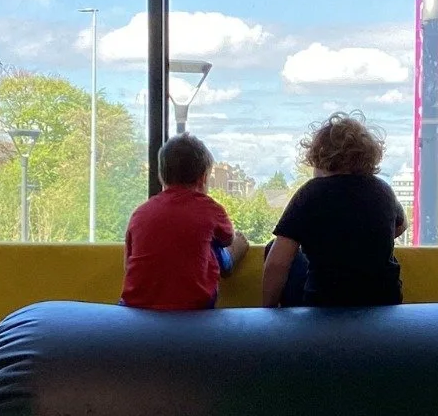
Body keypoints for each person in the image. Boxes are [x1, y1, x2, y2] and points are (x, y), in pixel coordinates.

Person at [262, 113, 406, 308]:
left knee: (273, 247)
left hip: (325, 304)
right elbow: (401, 226)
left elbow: (277, 263)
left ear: (321, 159)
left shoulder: (311, 193)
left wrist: (266, 312)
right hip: (383, 303)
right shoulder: (383, 190)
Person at [121, 134, 249, 310]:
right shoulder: (210, 209)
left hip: (136, 305)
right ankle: (237, 253)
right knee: (219, 245)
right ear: (203, 178)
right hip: (194, 306)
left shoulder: (140, 213)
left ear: (161, 176)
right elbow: (227, 238)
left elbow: (128, 263)